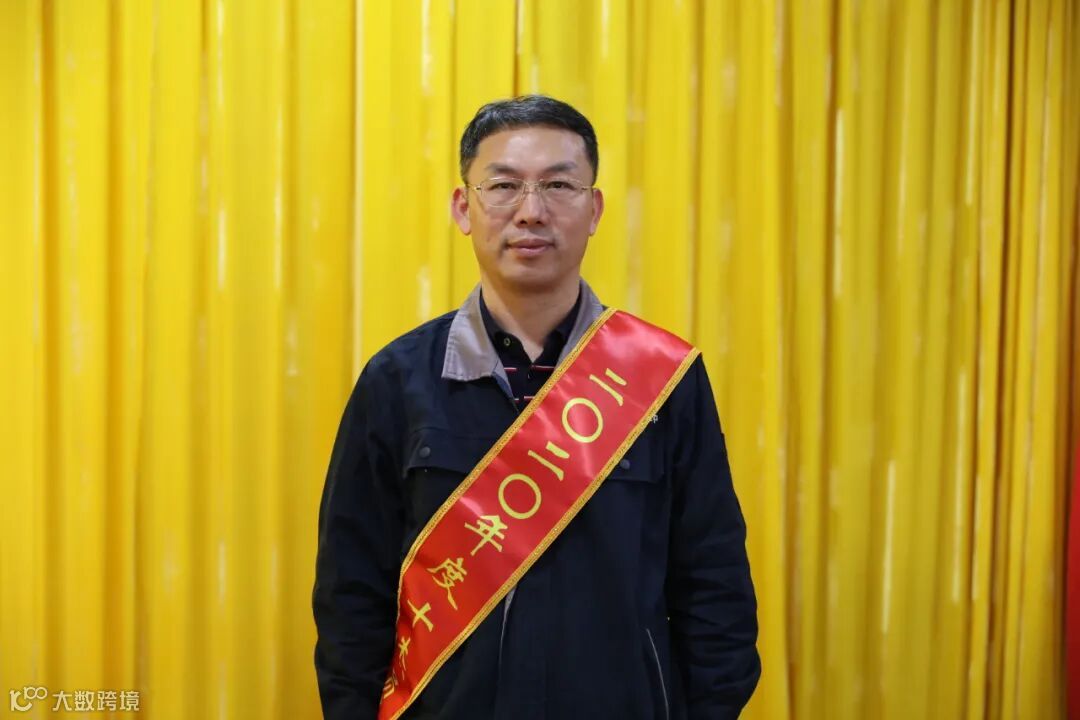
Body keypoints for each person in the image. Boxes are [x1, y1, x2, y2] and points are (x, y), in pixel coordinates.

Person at [313, 94, 760, 720]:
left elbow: (714, 583)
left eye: (558, 185)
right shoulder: (398, 380)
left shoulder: (663, 379)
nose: (531, 211)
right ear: (463, 207)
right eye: (503, 186)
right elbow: (351, 590)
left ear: (594, 209)